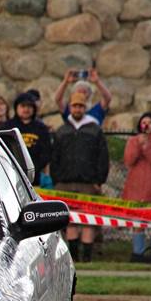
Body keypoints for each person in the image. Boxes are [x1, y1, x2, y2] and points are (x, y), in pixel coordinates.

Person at [50, 92, 109, 262]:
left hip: (88, 184)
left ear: (85, 108)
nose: (77, 109)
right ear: (70, 107)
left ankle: (87, 258)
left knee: (88, 221)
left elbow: (102, 157)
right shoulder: (63, 130)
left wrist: (99, 180)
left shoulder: (94, 130)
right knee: (70, 222)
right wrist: (57, 180)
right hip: (65, 183)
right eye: (74, 106)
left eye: (81, 106)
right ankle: (74, 258)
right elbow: (55, 158)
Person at [122, 112, 151, 263]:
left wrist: (148, 147)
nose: (146, 125)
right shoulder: (132, 141)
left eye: (150, 122)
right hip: (136, 190)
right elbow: (129, 160)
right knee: (138, 225)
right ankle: (138, 254)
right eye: (144, 122)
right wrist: (138, 144)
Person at [12, 92, 51, 186]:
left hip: (35, 178)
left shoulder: (41, 128)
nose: (26, 109)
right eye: (23, 106)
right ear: (16, 108)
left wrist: (33, 168)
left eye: (29, 106)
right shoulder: (8, 127)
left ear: (34, 109)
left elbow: (47, 153)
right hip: (12, 176)